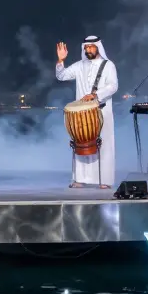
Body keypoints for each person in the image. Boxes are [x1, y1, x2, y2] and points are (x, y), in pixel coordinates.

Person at [55, 35, 119, 188]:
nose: (88, 49)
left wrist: (96, 95)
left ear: (98, 47)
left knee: (104, 145)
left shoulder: (108, 65)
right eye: (86, 47)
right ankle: (80, 179)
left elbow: (113, 86)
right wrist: (60, 61)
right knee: (81, 143)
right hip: (83, 114)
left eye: (91, 47)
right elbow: (61, 76)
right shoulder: (79, 65)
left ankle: (105, 180)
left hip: (102, 111)